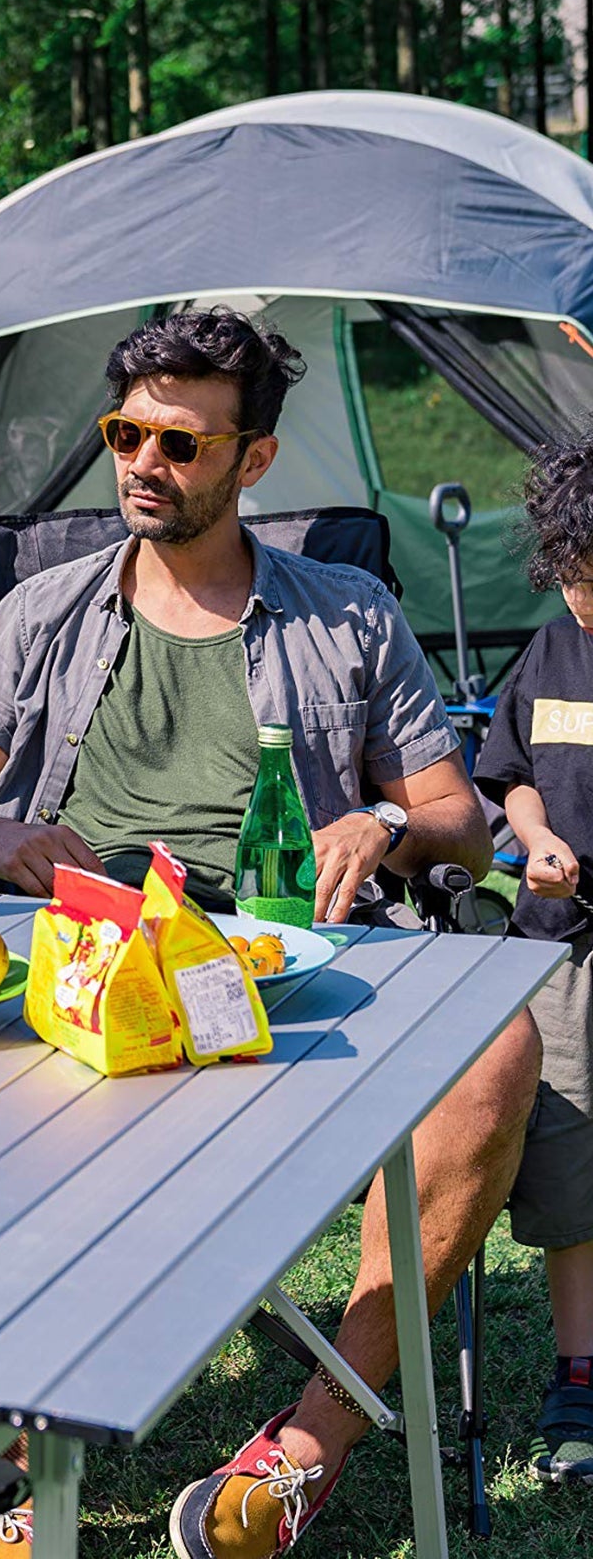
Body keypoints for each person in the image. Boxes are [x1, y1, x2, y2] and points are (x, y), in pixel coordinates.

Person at [0, 309, 538, 1559]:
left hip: (280, 962)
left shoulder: (345, 612)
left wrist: (380, 823)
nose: (143, 462)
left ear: (251, 462)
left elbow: (459, 824)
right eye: (124, 433)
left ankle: (303, 1447)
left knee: (497, 1052)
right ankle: (17, 1467)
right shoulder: (44, 612)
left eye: (180, 444)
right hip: (85, 954)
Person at [473, 433, 593, 1488]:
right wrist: (534, 832)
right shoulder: (550, 649)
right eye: (571, 577)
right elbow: (510, 773)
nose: (583, 599)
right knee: (570, 1168)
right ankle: (579, 1374)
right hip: (560, 949)